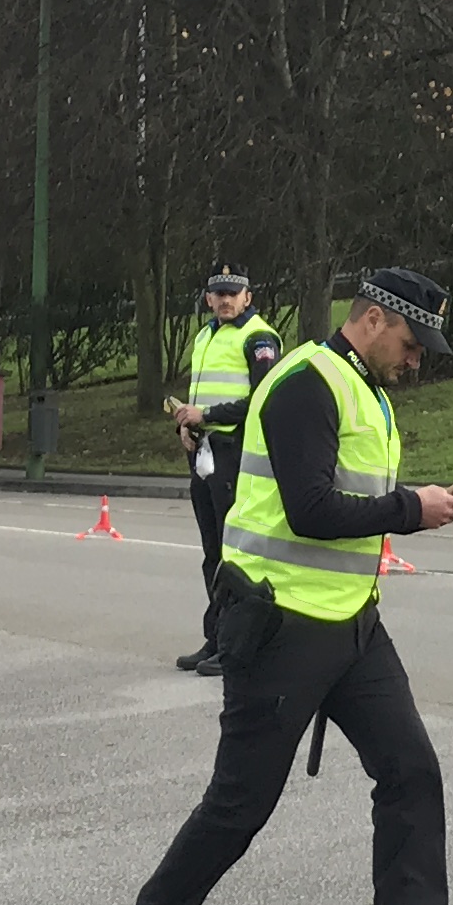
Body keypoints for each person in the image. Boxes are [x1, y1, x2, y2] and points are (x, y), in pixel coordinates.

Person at [92, 266, 453, 905]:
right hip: (282, 629)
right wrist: (415, 508)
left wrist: (427, 493)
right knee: (239, 806)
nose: (417, 362)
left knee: (411, 770)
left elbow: (352, 492)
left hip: (352, 625)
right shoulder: (304, 382)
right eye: (413, 345)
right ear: (375, 319)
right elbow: (312, 509)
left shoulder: (364, 390)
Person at [165, 267, 284, 676]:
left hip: (236, 453)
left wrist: (208, 415)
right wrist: (186, 424)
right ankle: (216, 636)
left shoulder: (259, 338)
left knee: (234, 554)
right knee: (212, 552)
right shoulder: (206, 335)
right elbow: (201, 395)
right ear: (208, 299)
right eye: (220, 294)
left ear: (248, 297)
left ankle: (237, 644)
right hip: (204, 450)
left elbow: (263, 399)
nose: (227, 300)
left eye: (235, 293)